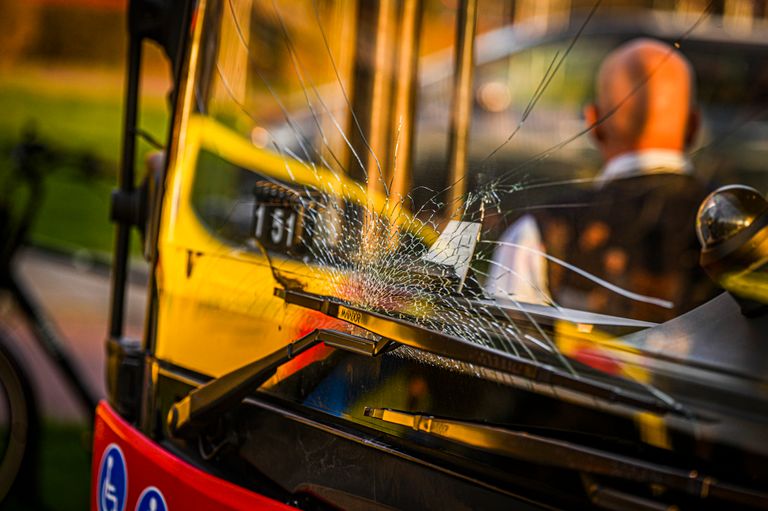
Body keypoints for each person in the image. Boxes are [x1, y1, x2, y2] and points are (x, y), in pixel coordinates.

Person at [487, 38, 716, 322]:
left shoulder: (539, 234)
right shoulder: (744, 231)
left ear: (593, 123)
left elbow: (502, 353)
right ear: (694, 126)